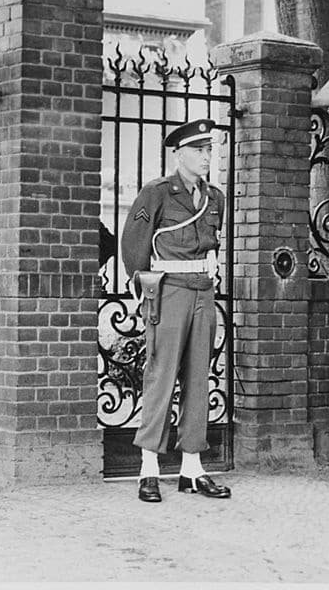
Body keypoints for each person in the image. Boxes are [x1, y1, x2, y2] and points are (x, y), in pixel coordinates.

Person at [121, 118, 231, 504]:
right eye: (199, 150)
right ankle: (148, 468)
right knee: (162, 376)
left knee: (199, 378)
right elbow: (134, 245)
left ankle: (192, 468)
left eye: (209, 150)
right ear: (179, 153)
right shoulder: (157, 193)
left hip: (204, 291)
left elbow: (213, 244)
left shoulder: (215, 198)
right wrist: (144, 288)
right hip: (170, 293)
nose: (206, 157)